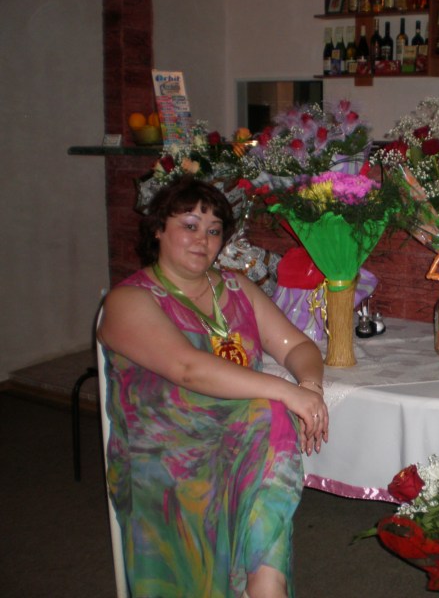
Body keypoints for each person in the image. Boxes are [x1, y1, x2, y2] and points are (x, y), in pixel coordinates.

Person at [97, 176, 328, 598]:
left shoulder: (237, 287)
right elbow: (187, 368)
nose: (203, 240)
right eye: (189, 225)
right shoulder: (129, 300)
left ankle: (265, 582)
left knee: (269, 416)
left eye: (214, 230)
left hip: (237, 433)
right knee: (272, 408)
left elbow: (298, 346)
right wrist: (289, 392)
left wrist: (309, 384)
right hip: (165, 448)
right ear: (158, 229)